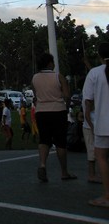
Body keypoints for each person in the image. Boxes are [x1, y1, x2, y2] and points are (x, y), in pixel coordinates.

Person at [32, 52, 76, 182]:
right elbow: (67, 95)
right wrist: (66, 106)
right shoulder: (58, 76)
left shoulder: (35, 78)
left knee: (44, 140)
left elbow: (35, 95)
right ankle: (64, 172)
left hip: (41, 112)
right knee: (60, 142)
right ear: (50, 63)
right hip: (58, 111)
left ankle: (42, 164)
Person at [82, 42, 109, 208]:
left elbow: (88, 101)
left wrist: (90, 124)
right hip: (102, 125)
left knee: (101, 158)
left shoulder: (95, 73)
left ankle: (107, 195)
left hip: (103, 125)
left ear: (99, 55)